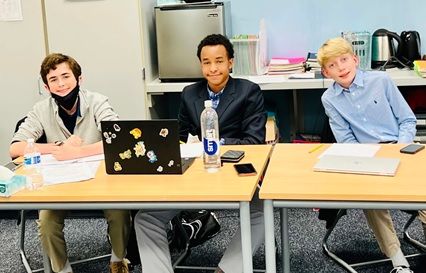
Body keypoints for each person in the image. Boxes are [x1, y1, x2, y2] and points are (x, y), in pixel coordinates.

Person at [134, 34, 267, 273]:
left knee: (261, 212)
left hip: (235, 173)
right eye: (206, 62)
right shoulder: (189, 93)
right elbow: (180, 137)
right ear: (200, 64)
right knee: (145, 217)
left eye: (219, 61)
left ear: (231, 62)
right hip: (196, 176)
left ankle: (226, 270)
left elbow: (254, 142)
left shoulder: (248, 91)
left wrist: (214, 143)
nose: (213, 68)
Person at [10, 53, 131, 273]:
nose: (61, 84)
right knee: (46, 221)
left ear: (79, 79)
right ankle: (62, 269)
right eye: (53, 79)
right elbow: (16, 148)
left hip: (99, 179)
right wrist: (58, 148)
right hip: (58, 183)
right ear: (47, 87)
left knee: (120, 211)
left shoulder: (97, 101)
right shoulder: (40, 110)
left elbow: (117, 137)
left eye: (66, 76)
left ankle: (117, 259)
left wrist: (76, 152)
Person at [318, 37, 426, 273]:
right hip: (367, 156)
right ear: (326, 71)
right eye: (333, 65)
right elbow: (346, 140)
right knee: (371, 198)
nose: (341, 68)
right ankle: (398, 261)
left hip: (401, 147)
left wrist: (400, 148)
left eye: (344, 60)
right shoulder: (330, 99)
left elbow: (407, 120)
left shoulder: (381, 80)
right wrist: (371, 159)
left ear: (355, 59)